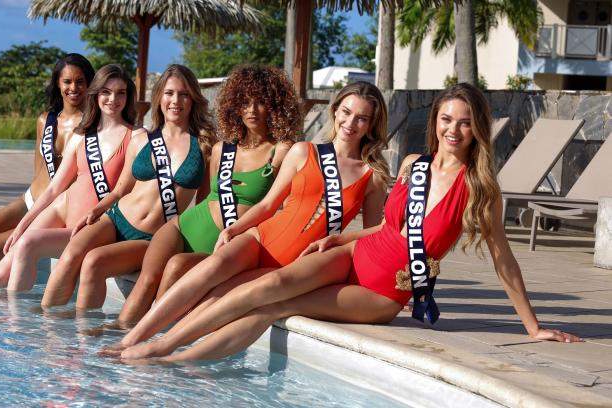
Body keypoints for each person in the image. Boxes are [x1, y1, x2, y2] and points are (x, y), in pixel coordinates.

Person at [118, 83, 581, 362]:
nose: (452, 130)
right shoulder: (413, 165)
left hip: (382, 290)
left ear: (476, 127)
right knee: (262, 287)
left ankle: (169, 359)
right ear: (436, 122)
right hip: (355, 253)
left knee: (272, 308)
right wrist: (340, 239)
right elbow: (390, 229)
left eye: (463, 122)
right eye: (446, 119)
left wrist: (532, 326)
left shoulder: (479, 189)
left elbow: (504, 261)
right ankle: (157, 345)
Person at [113, 81, 391, 351]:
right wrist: (234, 229)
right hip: (261, 238)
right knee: (209, 270)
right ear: (335, 111)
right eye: (346, 112)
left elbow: (374, 236)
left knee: (219, 297)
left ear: (371, 125)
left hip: (294, 264)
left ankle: (162, 347)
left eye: (362, 118)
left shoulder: (373, 176)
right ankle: (130, 341)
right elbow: (268, 205)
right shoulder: (303, 151)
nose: (350, 123)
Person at [111, 64, 301, 320]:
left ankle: (151, 335)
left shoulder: (282, 151)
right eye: (245, 102)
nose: (252, 110)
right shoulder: (222, 149)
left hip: (224, 243)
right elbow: (205, 198)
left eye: (261, 102)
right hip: (183, 226)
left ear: (275, 105)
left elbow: (285, 208)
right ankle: (118, 336)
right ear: (235, 105)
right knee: (146, 280)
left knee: (176, 266)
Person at [39, 64, 216, 308]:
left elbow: (206, 204)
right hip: (115, 218)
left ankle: (83, 331)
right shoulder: (142, 139)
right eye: (169, 93)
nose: (176, 101)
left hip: (151, 237)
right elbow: (120, 190)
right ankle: (44, 326)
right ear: (159, 97)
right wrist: (96, 211)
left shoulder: (206, 146)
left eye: (183, 94)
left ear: (193, 98)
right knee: (70, 254)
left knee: (93, 262)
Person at [0, 64, 135, 290]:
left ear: (128, 96)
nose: (113, 99)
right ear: (96, 94)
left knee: (27, 244)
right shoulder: (82, 135)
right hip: (62, 207)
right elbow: (53, 188)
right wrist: (22, 225)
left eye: (120, 93)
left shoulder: (136, 137)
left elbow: (128, 191)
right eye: (106, 92)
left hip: (91, 225)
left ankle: (16, 313)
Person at [0, 54, 95, 277]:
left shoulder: (93, 127)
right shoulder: (45, 121)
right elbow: (39, 169)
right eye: (67, 81)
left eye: (80, 81)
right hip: (30, 200)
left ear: (90, 84)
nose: (73, 88)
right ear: (58, 83)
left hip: (56, 210)